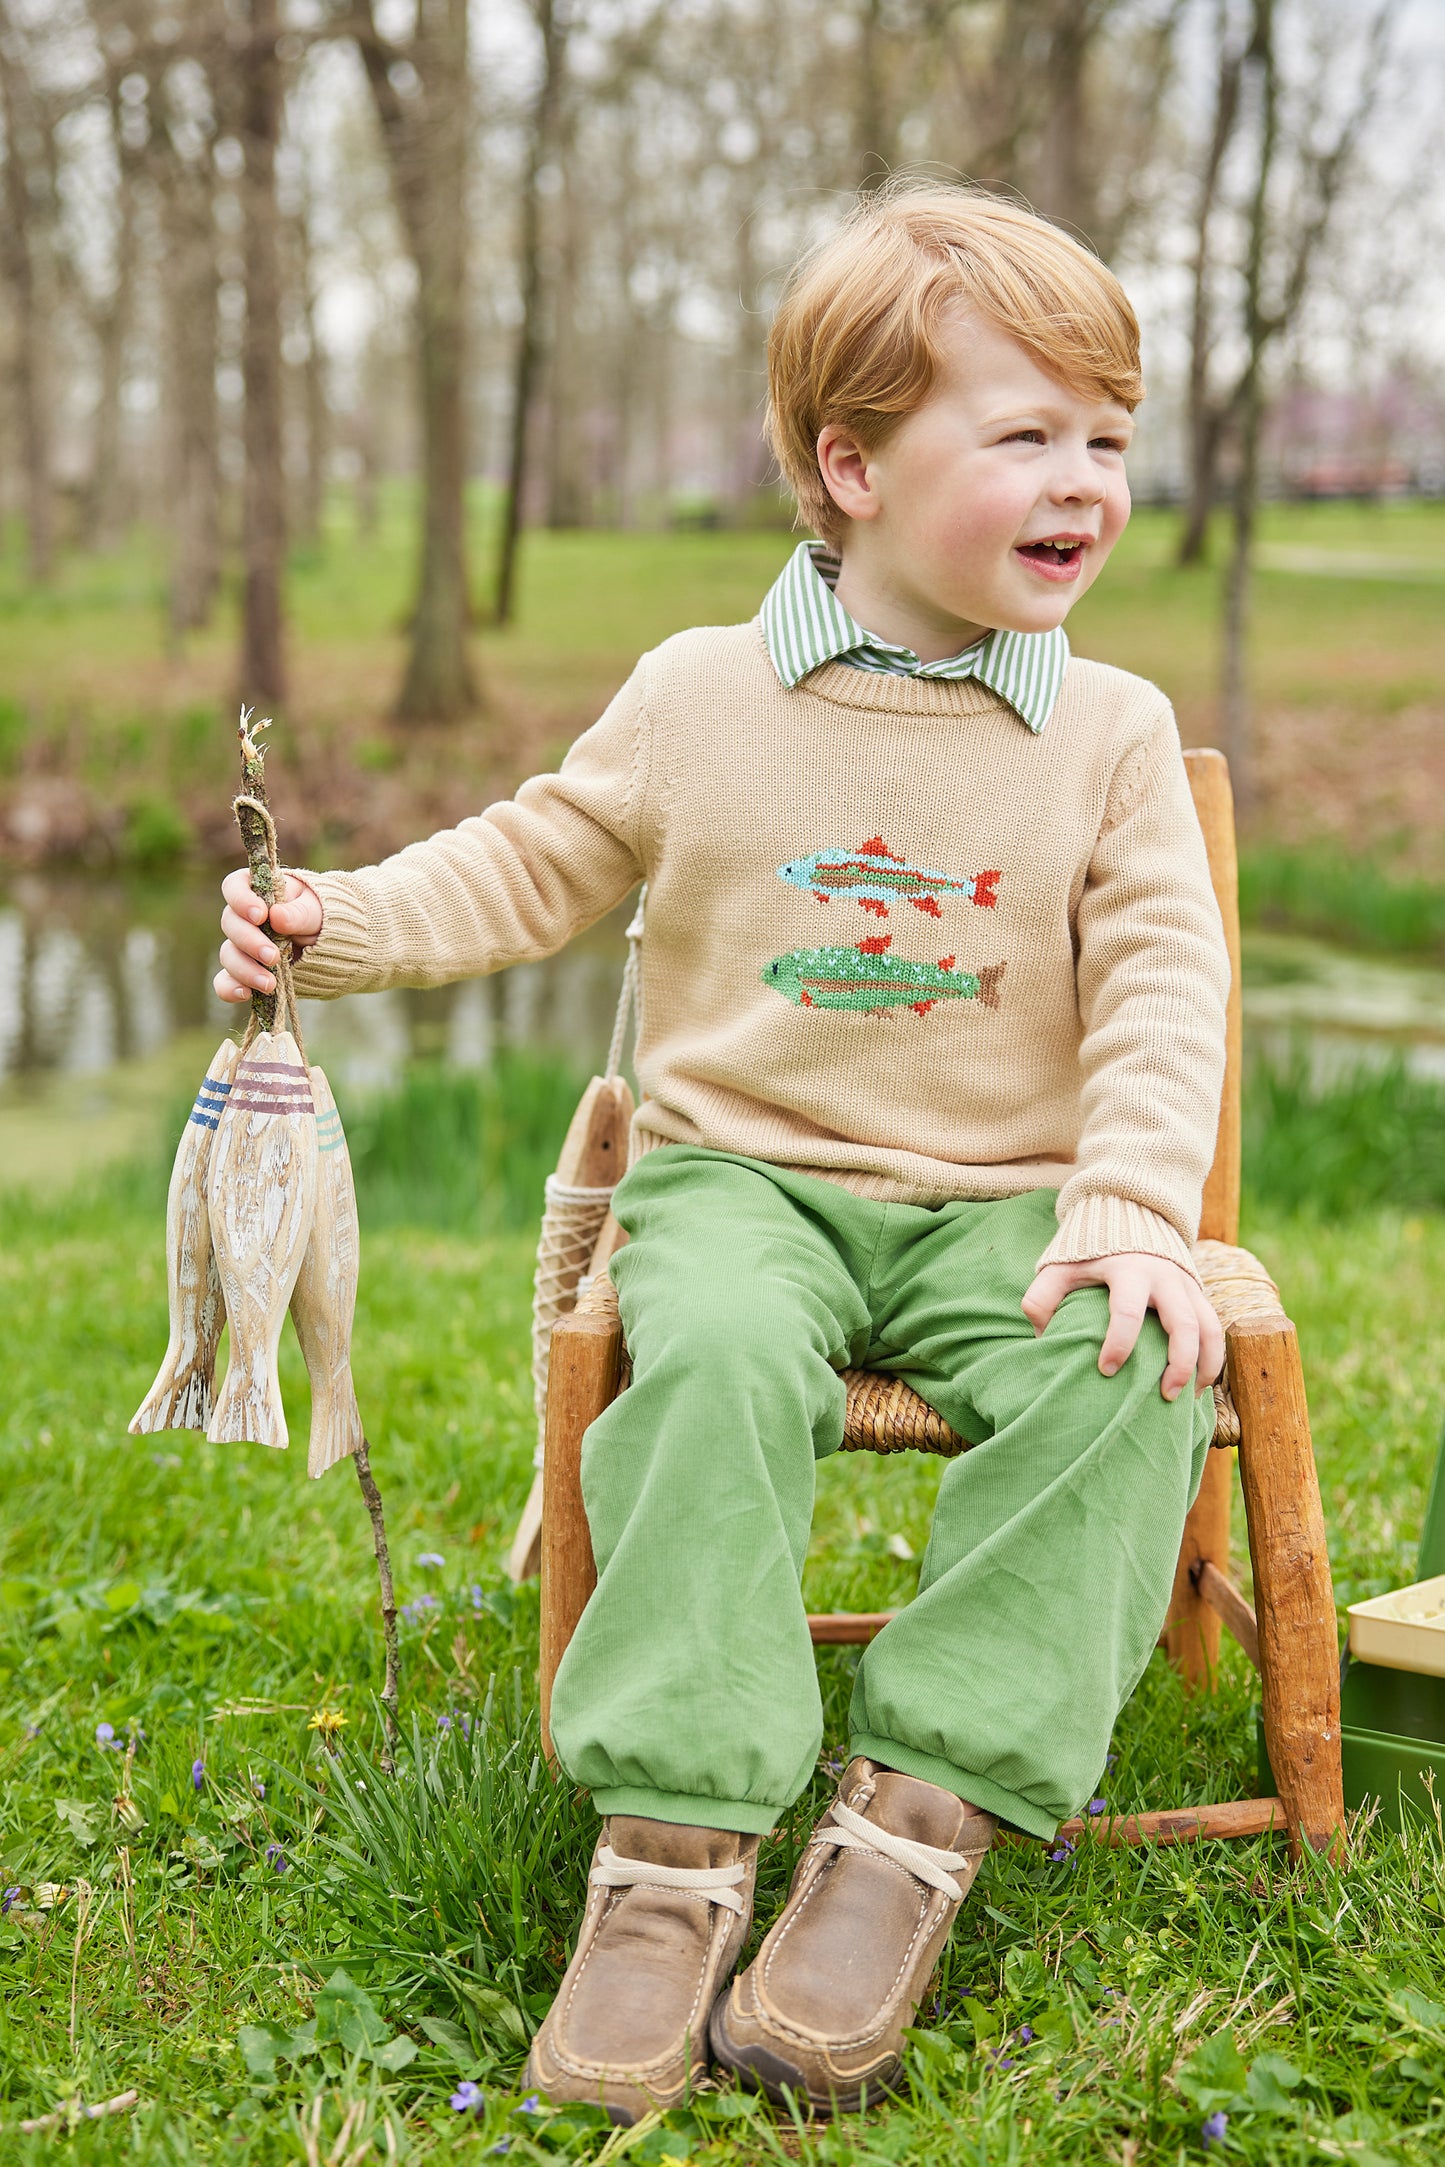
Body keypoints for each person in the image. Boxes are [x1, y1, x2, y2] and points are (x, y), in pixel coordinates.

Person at [216, 183, 1229, 2124]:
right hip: (741, 1183)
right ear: (847, 464)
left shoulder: (1106, 727)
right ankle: (675, 1838)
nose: (1085, 479)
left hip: (1009, 1198)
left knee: (1127, 1368)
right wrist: (327, 922)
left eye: (1108, 435)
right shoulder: (703, 692)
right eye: (1023, 434)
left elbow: (1168, 987)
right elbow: (530, 858)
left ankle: (917, 1810)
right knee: (720, 1360)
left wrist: (1126, 1208)